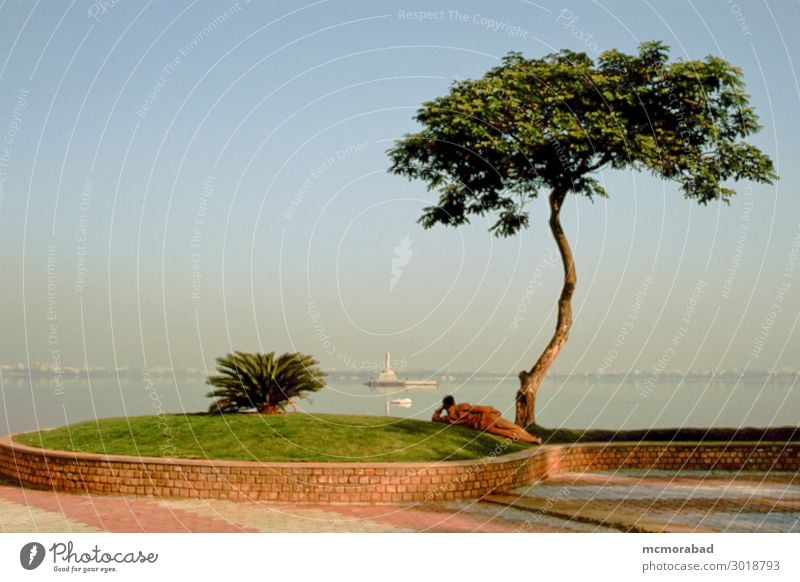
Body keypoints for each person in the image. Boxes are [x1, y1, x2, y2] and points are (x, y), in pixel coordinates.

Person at [431, 395, 542, 444]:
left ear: (445, 405)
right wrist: (492, 409)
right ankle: (533, 439)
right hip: (487, 417)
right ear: (454, 402)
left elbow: (434, 419)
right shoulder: (461, 406)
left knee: (510, 433)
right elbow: (477, 408)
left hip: (484, 427)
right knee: (513, 427)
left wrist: (439, 410)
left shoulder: (448, 419)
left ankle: (534, 440)